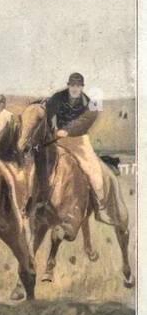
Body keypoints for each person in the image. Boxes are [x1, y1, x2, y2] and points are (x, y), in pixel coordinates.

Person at [43, 72, 108, 212]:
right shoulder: (57, 97)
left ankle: (98, 201)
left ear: (82, 87)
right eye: (72, 85)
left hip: (79, 141)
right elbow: (48, 112)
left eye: (78, 86)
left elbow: (85, 120)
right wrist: (52, 128)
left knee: (92, 168)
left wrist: (67, 130)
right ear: (68, 85)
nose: (75, 88)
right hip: (59, 139)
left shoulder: (91, 104)